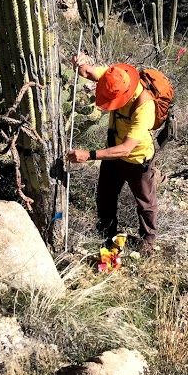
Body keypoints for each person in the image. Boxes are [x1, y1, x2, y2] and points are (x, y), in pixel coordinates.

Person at [65, 53, 158, 253]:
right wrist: (80, 64)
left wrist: (89, 155)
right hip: (112, 152)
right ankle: (108, 235)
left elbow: (126, 148)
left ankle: (148, 241)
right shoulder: (115, 77)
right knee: (105, 197)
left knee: (145, 202)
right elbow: (89, 72)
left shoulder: (144, 106)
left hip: (136, 159)